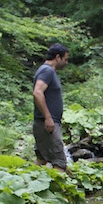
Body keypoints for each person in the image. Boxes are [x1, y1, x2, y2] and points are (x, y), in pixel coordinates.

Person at [32, 43, 69, 171]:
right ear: (57, 57)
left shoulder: (45, 70)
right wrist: (48, 118)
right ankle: (60, 190)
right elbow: (37, 92)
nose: (67, 62)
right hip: (48, 124)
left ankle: (28, 186)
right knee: (59, 163)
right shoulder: (47, 71)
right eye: (65, 59)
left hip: (44, 123)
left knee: (42, 159)